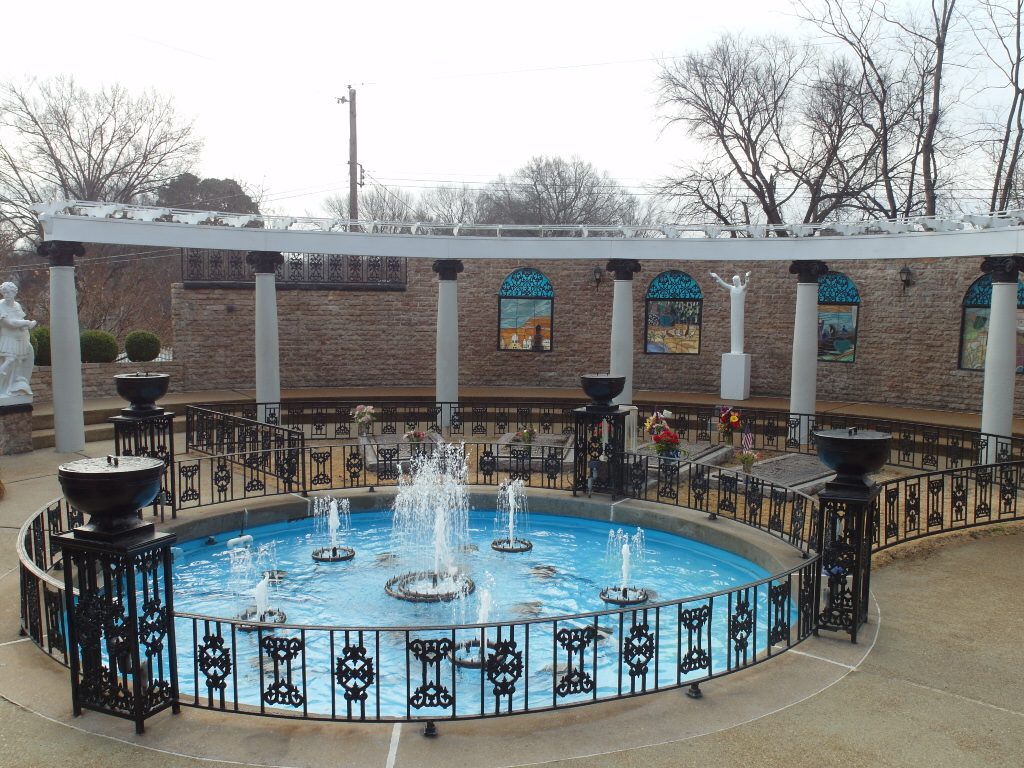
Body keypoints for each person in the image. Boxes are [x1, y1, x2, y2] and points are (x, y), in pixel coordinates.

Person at [0, 282, 37, 397]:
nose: (6, 295)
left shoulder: (17, 305)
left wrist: (26, 325)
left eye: (9, 292)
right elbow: (10, 323)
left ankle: (13, 387)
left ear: (14, 293)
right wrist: (27, 323)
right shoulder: (1, 305)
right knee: (10, 360)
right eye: (4, 292)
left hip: (20, 338)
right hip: (8, 338)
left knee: (18, 362)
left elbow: (18, 320)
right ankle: (2, 387)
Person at [709, 271, 752, 354]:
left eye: (736, 281)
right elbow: (723, 284)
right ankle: (734, 349)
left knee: (739, 329)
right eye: (734, 281)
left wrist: (746, 276)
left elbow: (747, 284)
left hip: (740, 312)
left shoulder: (742, 288)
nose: (735, 283)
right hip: (733, 312)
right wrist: (717, 276)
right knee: (734, 329)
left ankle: (739, 349)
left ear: (739, 281)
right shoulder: (732, 288)